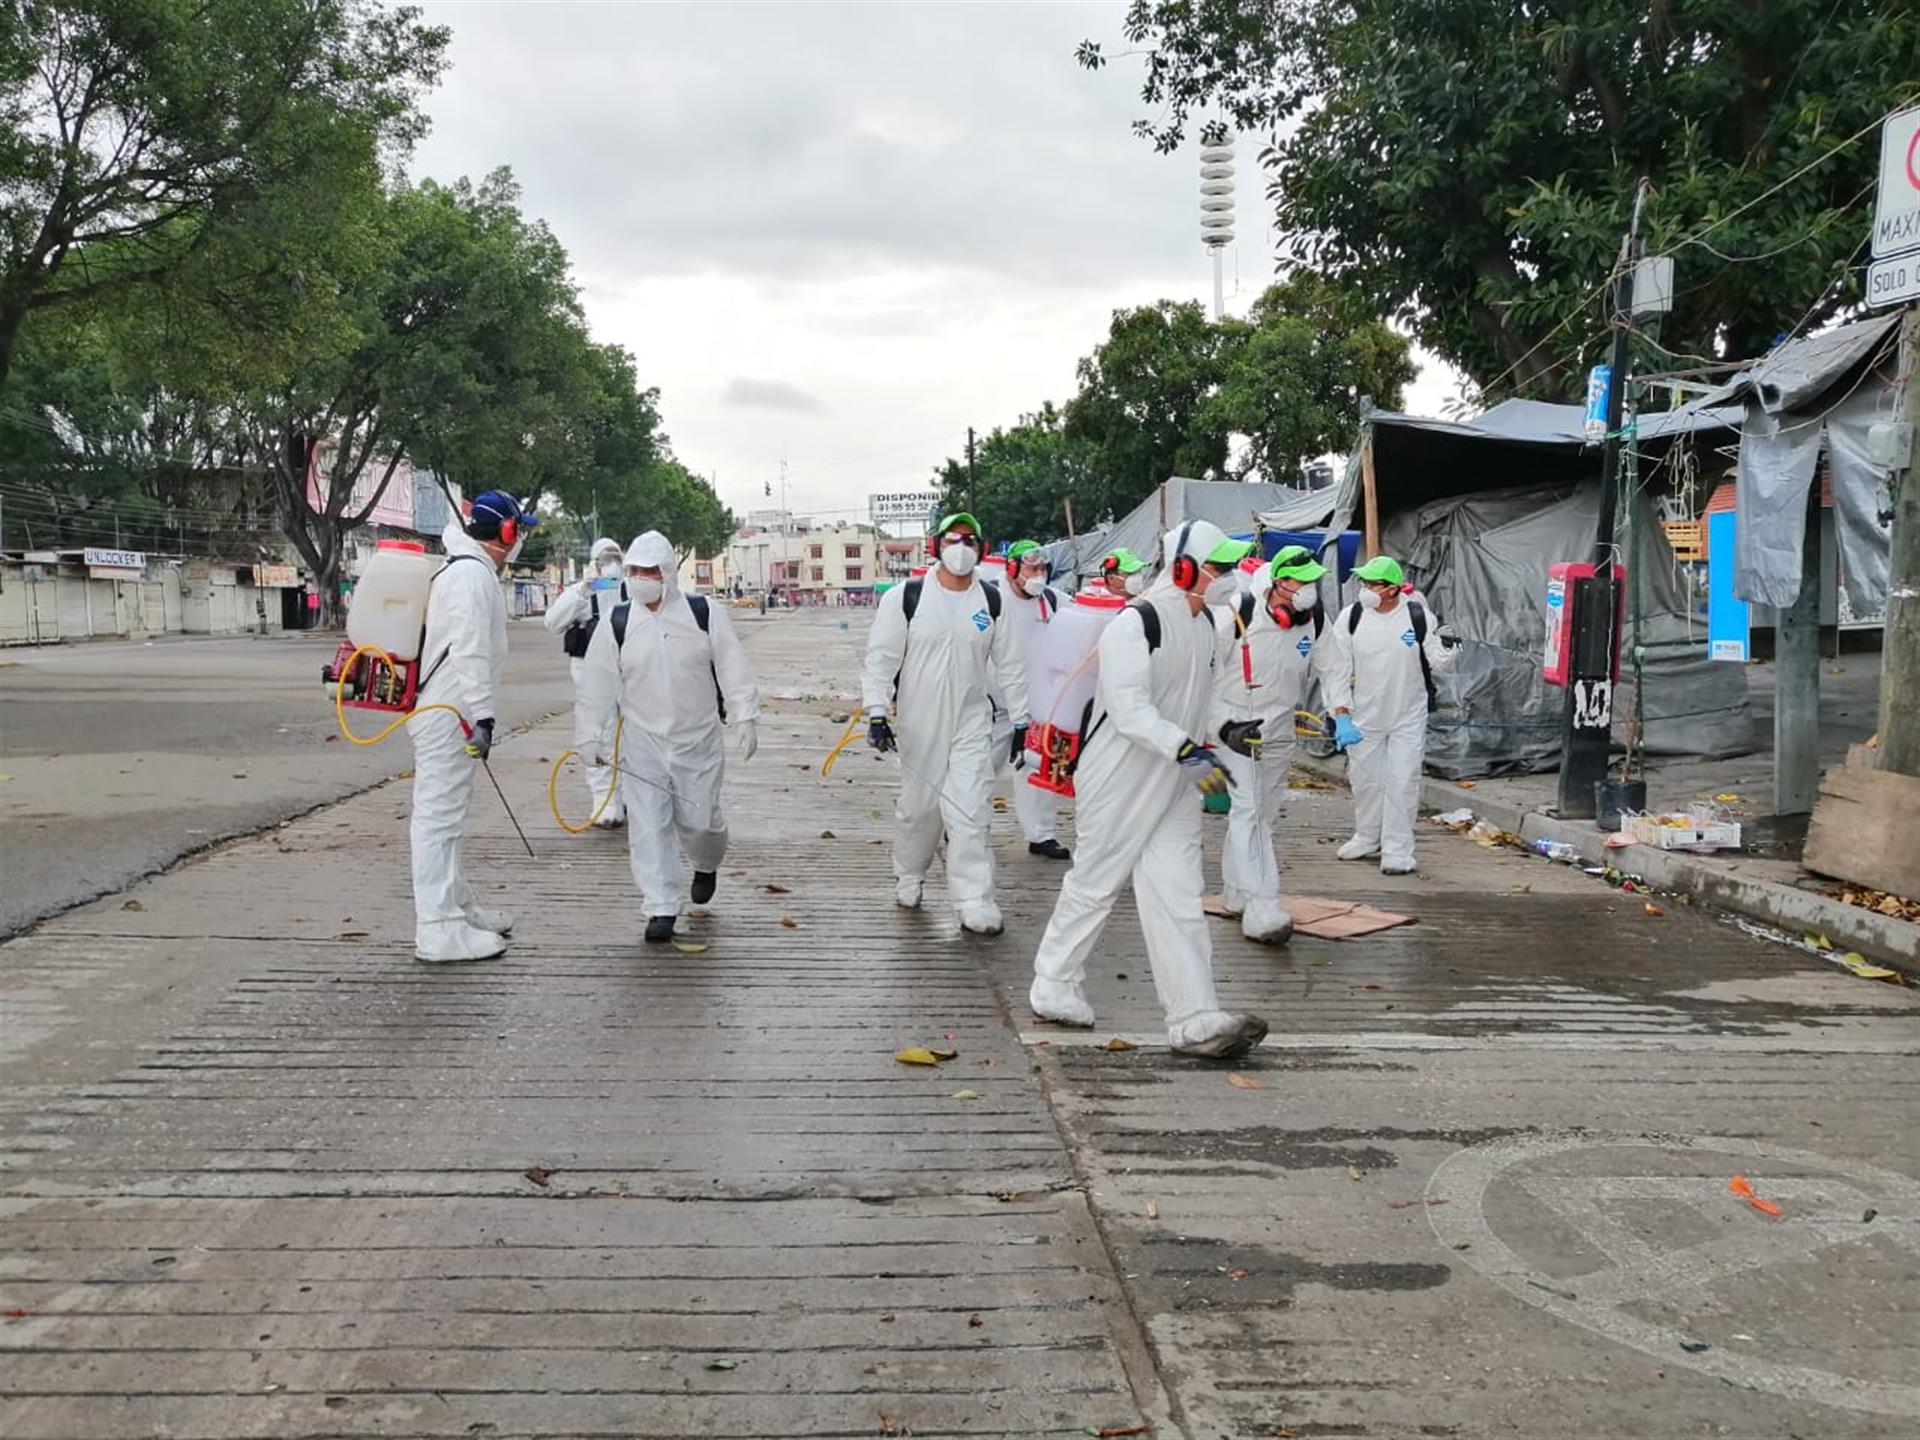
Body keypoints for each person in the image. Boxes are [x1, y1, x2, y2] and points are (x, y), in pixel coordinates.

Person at [1028, 520, 1270, 1060]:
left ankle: (1194, 1016)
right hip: (1120, 774)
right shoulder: (1134, 625)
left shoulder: (1208, 624)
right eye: (1219, 566)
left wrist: (1226, 728)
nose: (1229, 577)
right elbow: (1131, 709)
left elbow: (1199, 699)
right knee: (1097, 881)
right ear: (1181, 567)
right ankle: (1053, 982)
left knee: (1179, 892)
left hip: (1176, 774)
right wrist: (1186, 749)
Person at [575, 531, 760, 944]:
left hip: (698, 739)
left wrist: (745, 713)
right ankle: (660, 906)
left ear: (669, 574)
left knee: (702, 822)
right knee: (648, 825)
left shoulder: (703, 613)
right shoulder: (617, 622)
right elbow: (597, 683)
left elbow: (732, 664)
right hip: (642, 741)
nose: (642, 578)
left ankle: (706, 862)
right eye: (634, 571)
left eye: (650, 571)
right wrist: (589, 736)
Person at [861, 512, 1029, 935]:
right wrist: (876, 712)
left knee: (970, 809)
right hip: (920, 721)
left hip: (972, 719)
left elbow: (1011, 666)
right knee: (920, 809)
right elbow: (881, 660)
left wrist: (1023, 720)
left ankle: (974, 899)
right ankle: (909, 872)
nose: (961, 547)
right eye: (953, 539)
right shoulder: (906, 598)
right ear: (936, 546)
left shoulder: (990, 603)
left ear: (982, 549)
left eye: (970, 540)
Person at [408, 490, 537, 963]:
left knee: (447, 817)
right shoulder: (469, 575)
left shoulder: (468, 570)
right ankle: (438, 928)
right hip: (450, 713)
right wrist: (483, 715)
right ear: (505, 532)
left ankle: (458, 909)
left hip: (448, 711)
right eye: (518, 530)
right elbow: (468, 649)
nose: (519, 538)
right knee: (437, 818)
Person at [1213, 545, 1329, 945]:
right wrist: (1221, 724)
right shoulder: (1236, 612)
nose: (1309, 588)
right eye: (1301, 581)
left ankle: (1235, 891)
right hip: (1235, 726)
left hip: (1280, 726)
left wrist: (1342, 711)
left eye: (1313, 580)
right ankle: (1263, 905)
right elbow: (1201, 672)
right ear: (1278, 581)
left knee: (1262, 813)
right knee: (1246, 809)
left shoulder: (1312, 620)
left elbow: (1331, 664)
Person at [1322, 555, 1458, 876]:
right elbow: (1337, 668)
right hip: (1365, 715)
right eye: (1364, 582)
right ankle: (1368, 837)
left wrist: (1451, 646)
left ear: (1393, 588)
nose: (1366, 589)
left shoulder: (1416, 616)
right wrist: (1341, 713)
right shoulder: (1351, 617)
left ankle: (1398, 850)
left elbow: (1437, 660)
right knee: (1365, 780)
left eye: (1373, 583)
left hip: (1407, 714)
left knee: (1402, 782)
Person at [991, 539, 1071, 862]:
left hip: (1038, 706)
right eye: (1031, 568)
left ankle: (1041, 834)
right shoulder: (992, 598)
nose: (1038, 574)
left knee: (1039, 774)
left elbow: (1086, 612)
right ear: (1012, 569)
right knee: (980, 769)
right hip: (993, 705)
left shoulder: (1053, 601)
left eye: (1042, 568)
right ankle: (963, 825)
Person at [542, 537, 627, 827]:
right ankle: (605, 801)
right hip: (591, 674)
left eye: (616, 557)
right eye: (605, 558)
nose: (612, 564)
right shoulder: (584, 593)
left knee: (633, 735)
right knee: (600, 736)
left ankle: (631, 796)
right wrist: (582, 589)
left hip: (629, 672)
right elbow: (552, 622)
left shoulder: (630, 590)